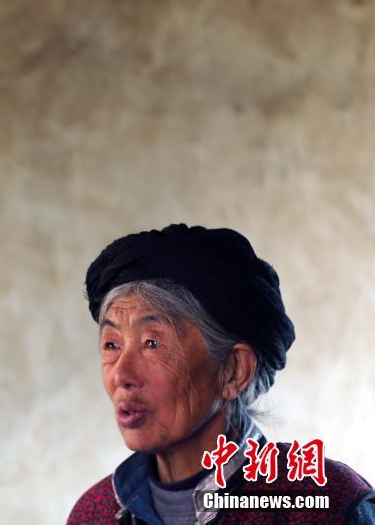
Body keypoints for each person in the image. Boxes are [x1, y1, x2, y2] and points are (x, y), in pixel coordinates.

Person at [67, 224, 375, 524]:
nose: (121, 375)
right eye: (111, 345)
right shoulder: (94, 515)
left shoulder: (326, 508)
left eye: (152, 343)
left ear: (234, 370)